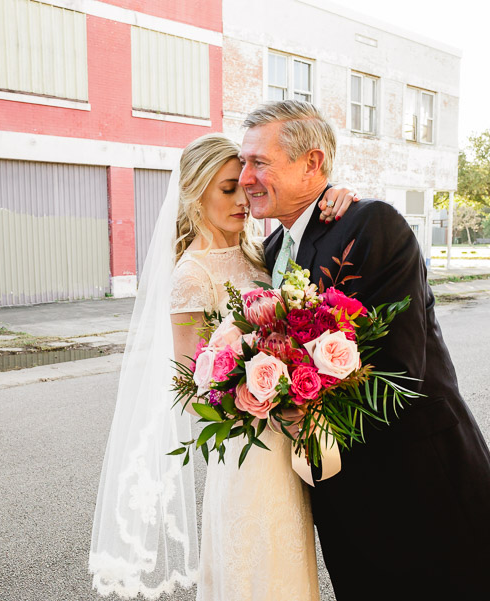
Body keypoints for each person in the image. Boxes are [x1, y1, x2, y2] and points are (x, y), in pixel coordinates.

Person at [238, 100, 490, 600]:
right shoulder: (270, 252)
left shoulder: (371, 226)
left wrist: (287, 400)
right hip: (347, 507)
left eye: (259, 162)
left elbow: (396, 369)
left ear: (312, 164)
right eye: (244, 164)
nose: (246, 178)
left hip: (426, 497)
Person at [88, 133, 357, 600]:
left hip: (286, 447)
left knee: (290, 571)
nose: (242, 198)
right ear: (195, 194)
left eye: (246, 185)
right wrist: (270, 395)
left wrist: (336, 196)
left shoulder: (261, 251)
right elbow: (194, 393)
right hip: (246, 454)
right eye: (228, 188)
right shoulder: (192, 275)